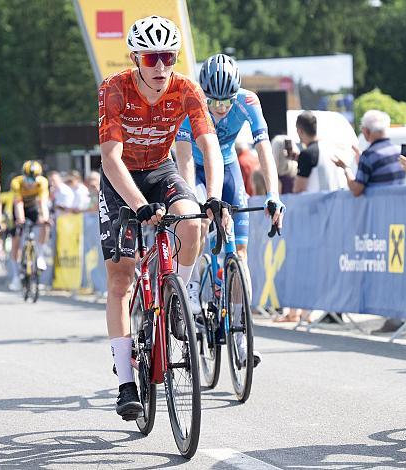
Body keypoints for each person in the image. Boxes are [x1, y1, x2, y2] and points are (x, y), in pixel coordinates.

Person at [98, 16, 240, 420]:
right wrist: (140, 206)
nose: (161, 67)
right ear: (136, 58)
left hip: (160, 170)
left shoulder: (186, 88)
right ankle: (126, 381)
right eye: (152, 57)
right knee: (121, 277)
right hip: (121, 176)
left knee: (193, 221)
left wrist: (213, 196)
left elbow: (209, 146)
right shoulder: (114, 88)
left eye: (169, 57)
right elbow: (110, 157)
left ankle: (177, 296)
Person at [175, 52, 284, 365]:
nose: (221, 109)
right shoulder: (190, 101)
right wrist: (192, 201)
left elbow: (264, 149)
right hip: (194, 168)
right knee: (195, 224)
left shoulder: (248, 102)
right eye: (215, 102)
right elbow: (183, 158)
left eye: (227, 102)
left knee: (240, 254)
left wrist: (273, 193)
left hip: (228, 167)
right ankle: (193, 284)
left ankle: (240, 333)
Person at [333, 110, 406, 197]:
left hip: (379, 207)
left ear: (366, 131)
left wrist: (345, 168)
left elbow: (356, 190)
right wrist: (362, 161)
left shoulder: (368, 156)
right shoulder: (399, 151)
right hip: (397, 207)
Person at [8, 160, 50, 291]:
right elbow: (18, 203)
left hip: (32, 208)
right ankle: (16, 276)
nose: (30, 183)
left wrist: (45, 218)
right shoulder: (17, 182)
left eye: (33, 179)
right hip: (18, 208)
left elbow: (43, 203)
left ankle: (40, 255)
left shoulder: (42, 182)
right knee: (16, 241)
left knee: (46, 224)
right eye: (28, 179)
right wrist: (20, 219)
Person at [293, 111, 346, 194]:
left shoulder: (307, 154)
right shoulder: (330, 147)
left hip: (316, 204)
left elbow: (298, 189)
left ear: (300, 131)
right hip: (334, 201)